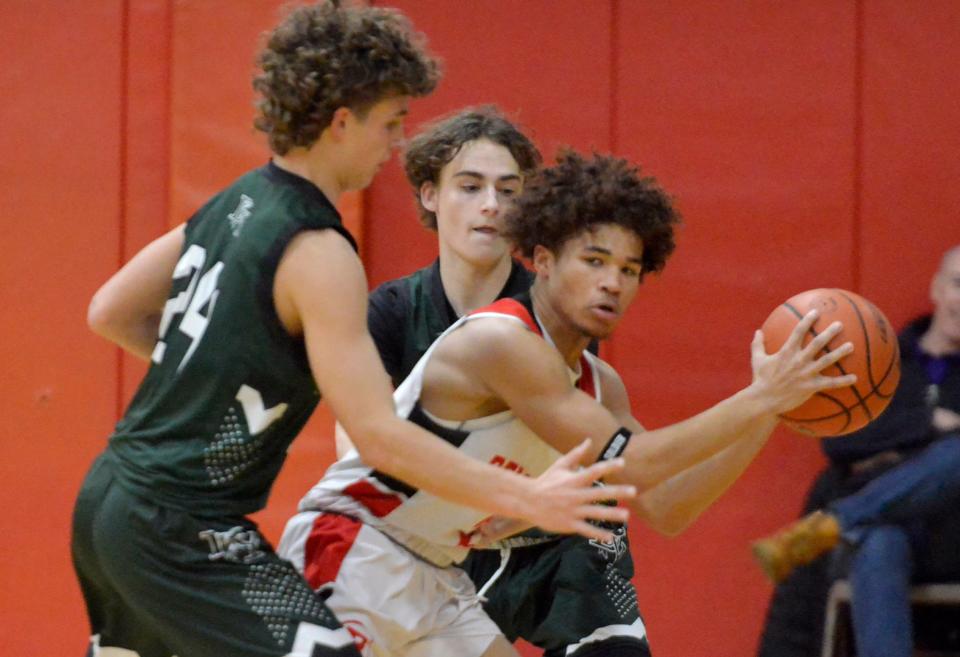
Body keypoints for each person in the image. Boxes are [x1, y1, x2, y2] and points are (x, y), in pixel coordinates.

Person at [69, 5, 633, 657]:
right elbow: (379, 436)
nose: (395, 142)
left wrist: (229, 374)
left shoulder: (236, 200)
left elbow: (111, 309)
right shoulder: (317, 247)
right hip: (185, 526)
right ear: (343, 122)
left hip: (108, 498)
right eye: (391, 121)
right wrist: (529, 496)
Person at [279, 150, 857, 657]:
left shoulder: (599, 383)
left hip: (435, 575)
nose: (613, 283)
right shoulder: (502, 342)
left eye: (629, 270)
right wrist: (758, 395)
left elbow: (668, 507)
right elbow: (633, 461)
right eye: (595, 261)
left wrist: (771, 411)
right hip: (353, 545)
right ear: (544, 260)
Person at [333, 105, 648, 657]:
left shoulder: (555, 301)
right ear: (430, 194)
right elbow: (358, 442)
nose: (491, 206)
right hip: (444, 535)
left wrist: (527, 502)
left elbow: (583, 439)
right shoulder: (389, 310)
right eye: (470, 186)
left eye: (508, 190)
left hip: (554, 541)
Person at [752, 245, 960, 657]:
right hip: (880, 537)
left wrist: (892, 452)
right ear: (937, 289)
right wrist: (931, 425)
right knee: (879, 543)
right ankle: (846, 521)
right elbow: (841, 441)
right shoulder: (882, 359)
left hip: (951, 537)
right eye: (958, 284)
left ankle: (837, 520)